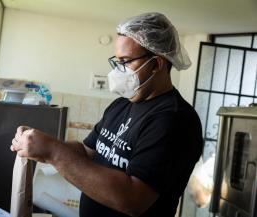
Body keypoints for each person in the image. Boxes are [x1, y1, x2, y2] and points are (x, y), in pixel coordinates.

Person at [11, 12, 203, 217]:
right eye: (117, 61)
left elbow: (133, 199)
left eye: (126, 61)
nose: (119, 71)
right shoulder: (121, 105)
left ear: (156, 64)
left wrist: (53, 152)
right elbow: (87, 152)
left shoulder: (175, 119)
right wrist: (42, 145)